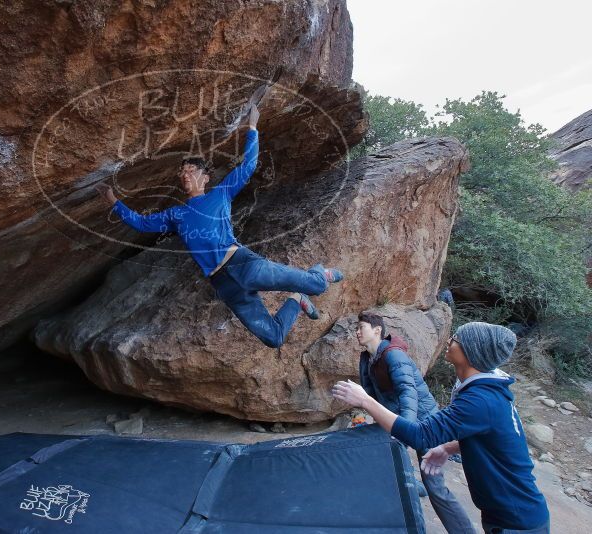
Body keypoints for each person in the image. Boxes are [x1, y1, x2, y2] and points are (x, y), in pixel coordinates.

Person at [95, 104, 343, 348]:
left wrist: (253, 126)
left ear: (205, 177)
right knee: (273, 338)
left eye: (191, 169)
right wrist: (113, 200)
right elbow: (141, 223)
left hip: (244, 265)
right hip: (224, 285)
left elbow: (248, 166)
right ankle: (296, 299)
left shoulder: (220, 193)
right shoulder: (176, 214)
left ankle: (320, 272)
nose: (184, 174)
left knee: (318, 285)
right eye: (182, 171)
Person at [334, 322, 550, 533]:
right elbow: (491, 437)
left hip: (516, 522)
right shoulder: (487, 391)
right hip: (508, 514)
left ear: (470, 352)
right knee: (434, 486)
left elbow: (419, 432)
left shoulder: (480, 400)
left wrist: (365, 402)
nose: (449, 340)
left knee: (436, 488)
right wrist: (449, 448)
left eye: (456, 339)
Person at [356, 311, 474, 533]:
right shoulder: (367, 359)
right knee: (390, 465)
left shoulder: (393, 356)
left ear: (377, 330)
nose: (357, 332)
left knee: (435, 487)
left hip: (425, 423)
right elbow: (373, 397)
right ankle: (412, 487)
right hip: (400, 422)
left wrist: (405, 432)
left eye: (361, 327)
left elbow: (408, 394)